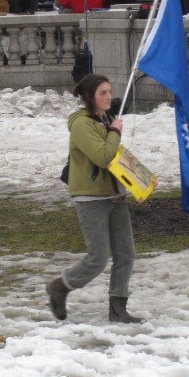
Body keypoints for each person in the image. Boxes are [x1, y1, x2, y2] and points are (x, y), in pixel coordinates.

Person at [46, 74, 140, 324]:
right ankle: (60, 286)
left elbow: (117, 155)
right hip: (91, 198)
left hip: (115, 194)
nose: (108, 97)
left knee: (126, 254)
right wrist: (115, 132)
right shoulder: (82, 124)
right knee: (98, 257)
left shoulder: (104, 119)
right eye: (102, 93)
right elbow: (103, 157)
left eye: (109, 92)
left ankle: (118, 309)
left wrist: (141, 180)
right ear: (90, 97)